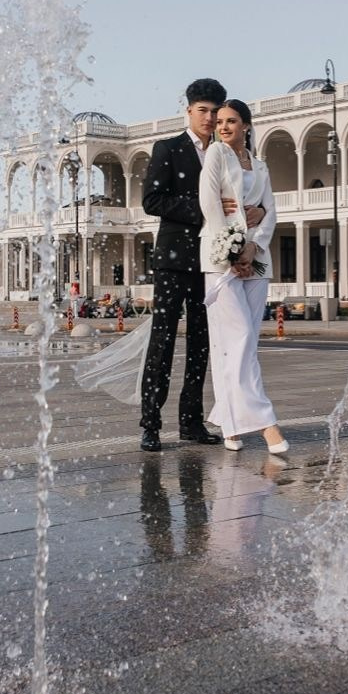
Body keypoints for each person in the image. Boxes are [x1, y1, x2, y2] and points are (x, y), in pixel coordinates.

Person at [138, 78, 267, 453]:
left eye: (215, 111)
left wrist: (256, 211)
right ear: (189, 111)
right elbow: (152, 200)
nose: (211, 119)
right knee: (162, 342)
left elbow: (250, 193)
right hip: (174, 260)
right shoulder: (168, 148)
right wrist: (205, 211)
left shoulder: (229, 152)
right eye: (203, 111)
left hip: (213, 260)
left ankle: (191, 422)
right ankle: (150, 424)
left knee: (202, 343)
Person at [199, 99, 289, 459]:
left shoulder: (261, 165)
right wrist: (232, 250)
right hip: (222, 262)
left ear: (247, 125)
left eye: (231, 121)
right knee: (239, 338)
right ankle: (268, 425)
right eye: (219, 121)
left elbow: (271, 210)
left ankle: (231, 423)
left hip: (257, 261)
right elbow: (210, 206)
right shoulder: (216, 156)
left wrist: (253, 246)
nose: (222, 127)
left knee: (240, 346)